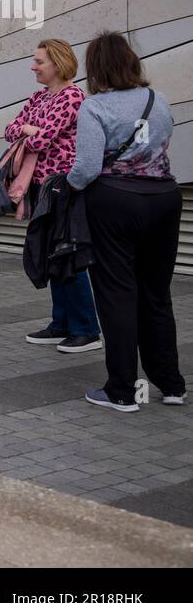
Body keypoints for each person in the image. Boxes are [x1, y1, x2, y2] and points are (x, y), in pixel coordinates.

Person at [66, 32, 184, 413]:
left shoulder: (94, 107)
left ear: (95, 68)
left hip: (115, 202)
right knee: (156, 292)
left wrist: (66, 188)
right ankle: (170, 384)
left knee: (117, 293)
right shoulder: (158, 99)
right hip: (165, 198)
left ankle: (120, 390)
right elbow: (160, 143)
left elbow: (85, 167)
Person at [6, 39, 100, 353]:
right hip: (44, 189)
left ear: (57, 64)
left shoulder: (72, 96)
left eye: (39, 61)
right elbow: (9, 129)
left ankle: (86, 328)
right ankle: (61, 323)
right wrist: (28, 129)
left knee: (68, 256)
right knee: (52, 256)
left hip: (65, 187)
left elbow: (42, 139)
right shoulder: (39, 97)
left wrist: (30, 130)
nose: (33, 67)